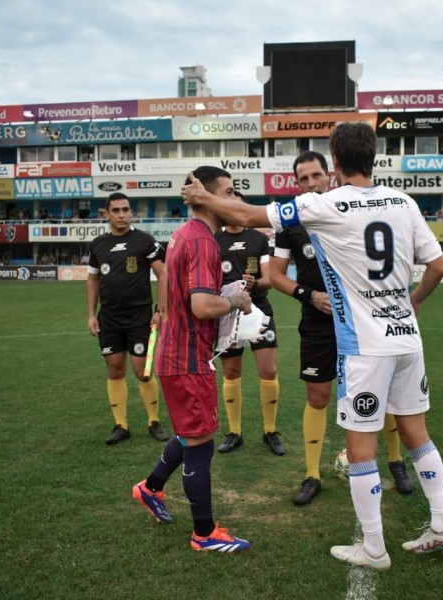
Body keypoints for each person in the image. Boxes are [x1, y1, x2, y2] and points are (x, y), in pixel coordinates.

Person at [184, 122, 443, 569]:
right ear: (374, 157)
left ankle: (373, 547)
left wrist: (202, 197)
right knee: (418, 435)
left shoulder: (324, 204)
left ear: (334, 162)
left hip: (365, 347)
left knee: (360, 449)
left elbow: (248, 216)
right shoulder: (404, 202)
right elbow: (439, 266)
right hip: (407, 339)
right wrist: (412, 304)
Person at [268, 151, 415, 506]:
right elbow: (273, 275)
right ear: (296, 183)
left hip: (366, 322)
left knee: (387, 394)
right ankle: (312, 474)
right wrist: (308, 295)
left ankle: (395, 462)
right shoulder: (291, 224)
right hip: (318, 324)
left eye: (316, 175)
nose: (310, 183)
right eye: (302, 179)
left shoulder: (351, 210)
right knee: (317, 396)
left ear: (330, 174)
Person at [132, 166, 252, 553]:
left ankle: (150, 488)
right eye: (230, 193)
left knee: (189, 431)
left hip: (175, 351)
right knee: (200, 443)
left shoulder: (183, 235)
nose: (234, 200)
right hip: (188, 358)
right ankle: (204, 533)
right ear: (210, 197)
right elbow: (202, 306)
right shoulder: (202, 241)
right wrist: (236, 300)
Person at [87, 192, 171, 445]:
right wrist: (91, 314)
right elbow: (93, 280)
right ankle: (120, 425)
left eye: (126, 210)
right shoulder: (98, 245)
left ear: (131, 213)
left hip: (139, 318)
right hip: (110, 318)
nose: (122, 215)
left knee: (143, 371)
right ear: (107, 214)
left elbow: (164, 274)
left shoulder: (144, 241)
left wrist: (161, 310)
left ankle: (154, 421)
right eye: (116, 211)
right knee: (114, 369)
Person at [214, 190, 285, 456]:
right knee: (231, 372)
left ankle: (270, 430)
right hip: (226, 313)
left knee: (268, 371)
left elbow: (270, 279)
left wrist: (256, 283)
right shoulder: (214, 240)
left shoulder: (258, 238)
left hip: (258, 310)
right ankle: (235, 432)